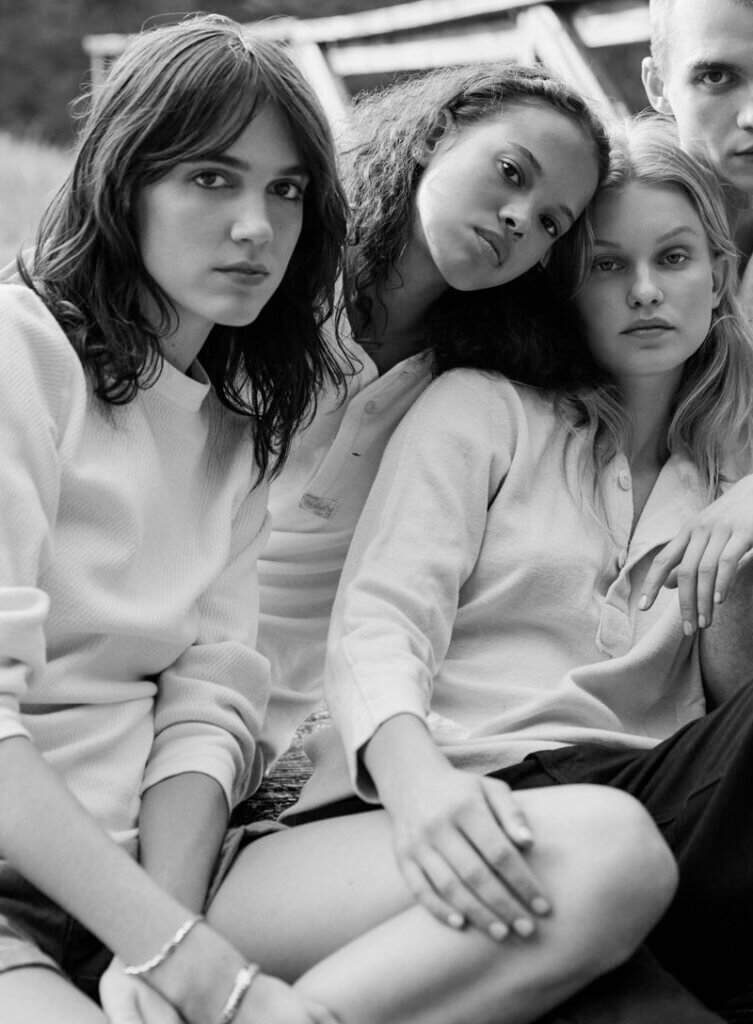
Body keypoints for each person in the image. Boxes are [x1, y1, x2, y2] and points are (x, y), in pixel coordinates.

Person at [220, 116, 753, 1024]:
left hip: (656, 808)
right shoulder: (484, 410)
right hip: (442, 794)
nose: (644, 291)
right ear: (561, 288)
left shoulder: (724, 482)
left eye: (673, 259)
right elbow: (381, 619)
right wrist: (420, 783)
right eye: (605, 265)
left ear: (718, 275)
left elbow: (728, 701)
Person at [0, 14, 349, 1024]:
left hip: (151, 877)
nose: (256, 227)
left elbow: (209, 698)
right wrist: (192, 965)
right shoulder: (21, 353)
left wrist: (160, 933)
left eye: (286, 190)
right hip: (21, 886)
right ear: (123, 184)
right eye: (211, 178)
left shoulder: (236, 425)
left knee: (595, 871)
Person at [256, 61, 615, 770]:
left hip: (260, 708)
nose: (520, 218)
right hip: (133, 634)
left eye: (550, 221)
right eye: (511, 172)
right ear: (435, 134)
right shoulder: (274, 278)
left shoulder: (481, 386)